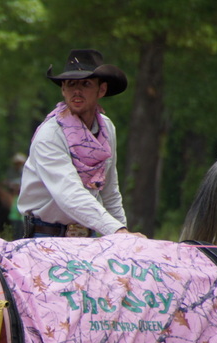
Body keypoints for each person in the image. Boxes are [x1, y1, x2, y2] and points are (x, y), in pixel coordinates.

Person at [18, 49, 144, 238]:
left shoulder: (106, 129)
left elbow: (110, 192)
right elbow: (69, 194)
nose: (76, 91)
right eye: (70, 84)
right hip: (46, 237)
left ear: (101, 90)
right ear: (63, 90)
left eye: (85, 84)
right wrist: (117, 231)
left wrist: (123, 237)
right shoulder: (50, 134)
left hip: (88, 237)